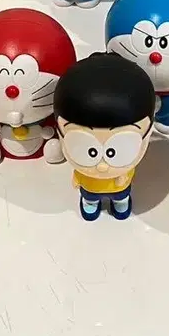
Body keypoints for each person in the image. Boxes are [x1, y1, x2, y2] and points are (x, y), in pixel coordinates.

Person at [54, 53, 156, 221]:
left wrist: (123, 175)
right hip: (90, 186)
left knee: (121, 196)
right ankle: (91, 203)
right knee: (90, 197)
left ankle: (120, 203)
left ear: (148, 133)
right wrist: (77, 179)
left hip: (119, 187)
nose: (102, 166)